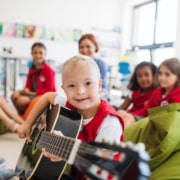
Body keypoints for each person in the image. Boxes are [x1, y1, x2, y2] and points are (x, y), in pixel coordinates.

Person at [17, 55, 124, 178]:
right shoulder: (70, 105)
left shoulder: (109, 123)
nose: (80, 91)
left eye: (88, 83)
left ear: (99, 85)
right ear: (64, 89)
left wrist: (66, 152)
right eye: (72, 86)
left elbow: (100, 167)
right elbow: (47, 96)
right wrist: (27, 124)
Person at [119, 57, 180, 127]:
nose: (162, 77)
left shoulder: (177, 94)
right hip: (150, 120)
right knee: (122, 114)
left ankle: (121, 137)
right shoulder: (158, 92)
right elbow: (146, 110)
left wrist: (130, 116)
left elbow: (172, 118)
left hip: (160, 124)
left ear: (178, 78)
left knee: (128, 119)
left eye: (167, 74)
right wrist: (129, 114)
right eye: (160, 73)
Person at [11, 42, 56, 115]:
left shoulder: (49, 70)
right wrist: (25, 90)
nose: (38, 55)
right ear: (32, 54)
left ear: (45, 54)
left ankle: (25, 118)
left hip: (43, 95)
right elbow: (28, 85)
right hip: (32, 93)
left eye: (41, 53)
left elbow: (50, 90)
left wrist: (31, 93)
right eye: (35, 53)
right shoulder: (32, 68)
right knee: (14, 95)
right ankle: (22, 116)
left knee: (21, 101)